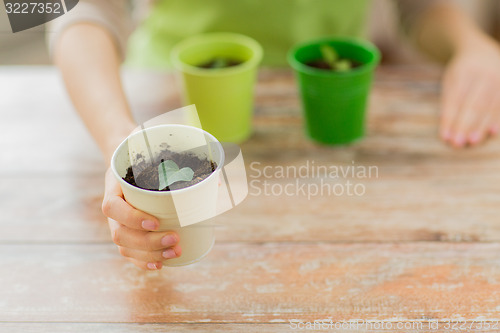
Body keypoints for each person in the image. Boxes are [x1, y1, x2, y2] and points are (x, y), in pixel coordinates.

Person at [49, 0, 500, 270]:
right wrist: (120, 140)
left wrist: (472, 44)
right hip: (164, 105)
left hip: (333, 121)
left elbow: (418, 7)